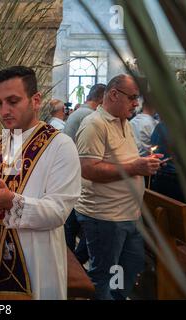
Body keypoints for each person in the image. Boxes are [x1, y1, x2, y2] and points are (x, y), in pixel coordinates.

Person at [0, 66, 81, 299]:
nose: (4, 110)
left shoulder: (60, 146)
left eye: (13, 101)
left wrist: (11, 201)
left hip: (36, 258)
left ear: (36, 100)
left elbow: (59, 211)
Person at [75, 74, 162, 300]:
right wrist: (135, 167)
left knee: (127, 269)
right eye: (132, 97)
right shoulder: (94, 124)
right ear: (114, 94)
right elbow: (88, 169)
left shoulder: (125, 122)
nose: (136, 104)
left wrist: (146, 164)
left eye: (138, 98)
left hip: (128, 215)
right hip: (105, 217)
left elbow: (124, 162)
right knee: (103, 276)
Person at [62, 83, 106, 264]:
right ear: (102, 99)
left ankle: (70, 260)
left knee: (72, 223)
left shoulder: (79, 112)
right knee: (80, 223)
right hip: (77, 174)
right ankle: (74, 263)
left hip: (70, 171)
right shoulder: (90, 116)